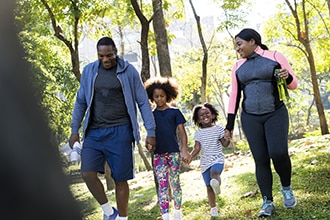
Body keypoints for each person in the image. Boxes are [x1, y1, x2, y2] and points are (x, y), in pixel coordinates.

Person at [69, 37, 156, 220]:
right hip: (94, 131)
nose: (105, 59)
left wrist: (151, 131)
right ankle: (109, 212)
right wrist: (74, 130)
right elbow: (81, 101)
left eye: (109, 55)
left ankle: (122, 218)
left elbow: (142, 101)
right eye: (101, 56)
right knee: (87, 172)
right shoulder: (89, 71)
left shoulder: (128, 71)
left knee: (120, 179)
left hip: (121, 131)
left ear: (116, 51)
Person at [225, 28, 298, 217]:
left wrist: (287, 76)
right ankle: (267, 202)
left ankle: (286, 187)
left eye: (239, 44)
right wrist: (229, 125)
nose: (237, 49)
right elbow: (234, 96)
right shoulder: (238, 66)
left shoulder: (275, 56)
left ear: (252, 41)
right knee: (261, 159)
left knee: (278, 152)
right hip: (250, 117)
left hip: (275, 112)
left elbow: (293, 84)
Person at [144, 77, 191, 220]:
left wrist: (184, 150)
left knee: (175, 182)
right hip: (158, 155)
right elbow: (149, 135)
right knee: (162, 184)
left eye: (162, 96)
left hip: (173, 153)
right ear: (152, 97)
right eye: (156, 96)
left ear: (168, 95)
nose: (159, 99)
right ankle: (165, 215)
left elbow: (182, 133)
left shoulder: (175, 112)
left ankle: (177, 211)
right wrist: (149, 145)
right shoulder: (150, 115)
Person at [187, 103, 229, 217]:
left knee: (214, 173)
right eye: (201, 115)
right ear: (198, 120)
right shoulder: (198, 133)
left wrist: (227, 138)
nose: (205, 116)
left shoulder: (219, 129)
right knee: (208, 187)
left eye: (207, 113)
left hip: (217, 159)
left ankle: (217, 184)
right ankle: (213, 208)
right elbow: (197, 148)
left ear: (212, 115)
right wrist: (190, 156)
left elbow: (225, 144)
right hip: (205, 162)